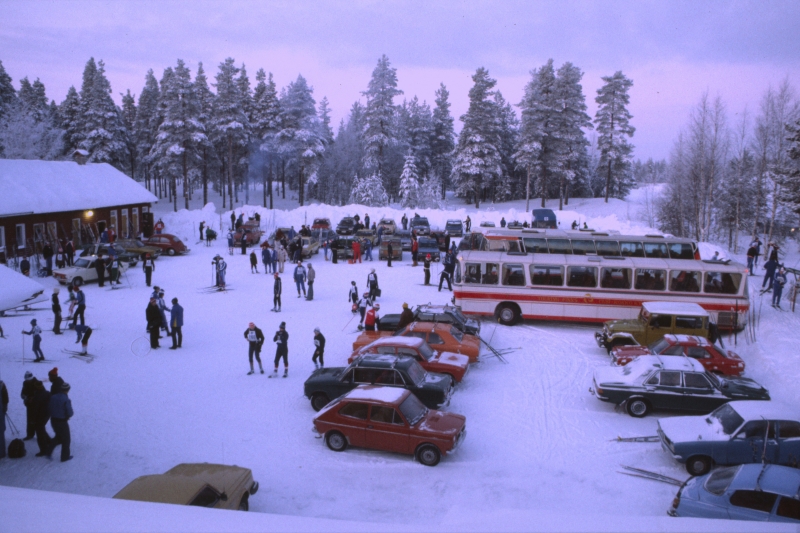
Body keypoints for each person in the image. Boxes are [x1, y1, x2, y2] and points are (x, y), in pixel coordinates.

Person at [48, 381, 73, 462]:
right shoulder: (66, 399)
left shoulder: (53, 397)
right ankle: (64, 457)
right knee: (66, 439)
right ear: (67, 390)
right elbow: (70, 412)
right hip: (62, 422)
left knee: (58, 437)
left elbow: (49, 407)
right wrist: (67, 416)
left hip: (53, 420)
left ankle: (48, 451)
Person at [30, 378, 52, 457]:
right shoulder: (47, 393)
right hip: (46, 414)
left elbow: (35, 410)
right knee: (41, 428)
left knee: (39, 433)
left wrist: (32, 420)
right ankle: (49, 441)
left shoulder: (37, 397)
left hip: (40, 416)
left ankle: (44, 450)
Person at [21, 371, 39, 441]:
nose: (27, 381)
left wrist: (33, 398)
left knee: (37, 421)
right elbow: (22, 393)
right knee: (29, 420)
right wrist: (25, 397)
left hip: (37, 406)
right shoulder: (25, 383)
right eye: (26, 380)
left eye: (28, 380)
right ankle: (30, 434)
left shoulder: (37, 383)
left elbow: (41, 394)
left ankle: (41, 435)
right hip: (29, 405)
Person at [0, 377, 8, 460]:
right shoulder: (2, 385)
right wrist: (5, 407)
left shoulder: (2, 385)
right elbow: (6, 398)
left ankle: (1, 452)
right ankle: (1, 452)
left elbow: (5, 398)